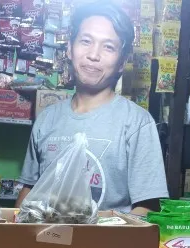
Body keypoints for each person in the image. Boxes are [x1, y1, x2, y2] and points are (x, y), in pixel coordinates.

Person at [15, 1, 169, 215]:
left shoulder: (137, 123)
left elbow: (147, 207)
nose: (94, 55)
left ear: (122, 61)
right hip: (46, 244)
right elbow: (29, 190)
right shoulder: (47, 119)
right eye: (86, 41)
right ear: (69, 48)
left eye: (108, 47)